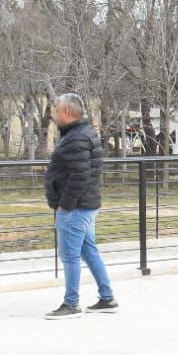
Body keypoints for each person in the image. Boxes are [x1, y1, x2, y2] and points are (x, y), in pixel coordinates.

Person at [43, 93, 117, 318]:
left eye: (56, 110)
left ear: (66, 112)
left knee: (70, 255)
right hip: (84, 206)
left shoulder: (76, 138)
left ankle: (71, 303)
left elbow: (79, 177)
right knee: (88, 250)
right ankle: (107, 297)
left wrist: (65, 206)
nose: (54, 114)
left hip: (76, 209)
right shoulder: (83, 133)